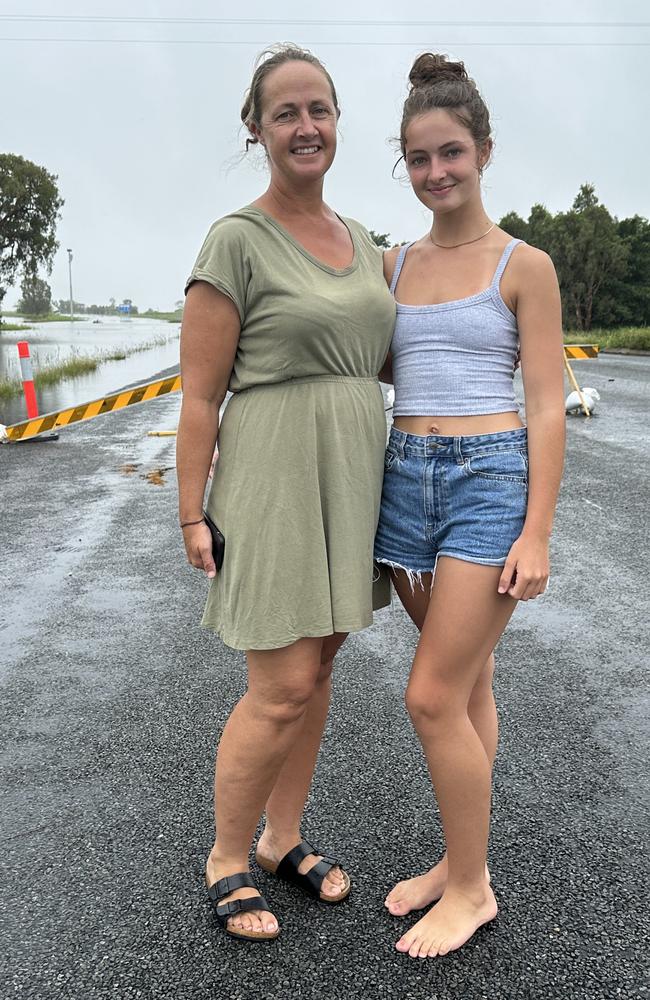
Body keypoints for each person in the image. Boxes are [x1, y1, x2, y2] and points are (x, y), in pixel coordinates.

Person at [176, 45, 395, 941]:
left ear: (339, 122)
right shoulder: (236, 238)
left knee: (322, 667)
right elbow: (199, 393)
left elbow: (391, 357)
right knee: (280, 683)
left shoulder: (369, 244)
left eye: (321, 110)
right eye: (286, 113)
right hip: (272, 475)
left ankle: (281, 838)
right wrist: (192, 509)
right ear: (257, 129)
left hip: (352, 474)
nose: (306, 127)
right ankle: (227, 857)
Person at [373, 53, 566, 959]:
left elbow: (544, 404)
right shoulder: (392, 263)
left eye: (451, 153)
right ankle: (457, 866)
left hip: (491, 482)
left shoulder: (526, 265)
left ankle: (475, 889)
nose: (436, 172)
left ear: (484, 151)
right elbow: (359, 364)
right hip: (405, 478)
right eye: (419, 159)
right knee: (468, 686)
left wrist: (538, 531)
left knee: (430, 696)